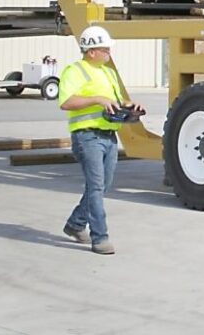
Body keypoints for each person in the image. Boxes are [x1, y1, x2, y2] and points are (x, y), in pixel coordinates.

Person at [58, 26, 144, 255]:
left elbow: (115, 101)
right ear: (91, 50)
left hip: (109, 135)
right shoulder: (75, 71)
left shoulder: (108, 73)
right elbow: (66, 101)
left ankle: (75, 224)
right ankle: (100, 238)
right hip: (87, 137)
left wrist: (129, 105)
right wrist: (97, 99)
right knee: (96, 186)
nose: (109, 53)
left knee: (103, 185)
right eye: (105, 49)